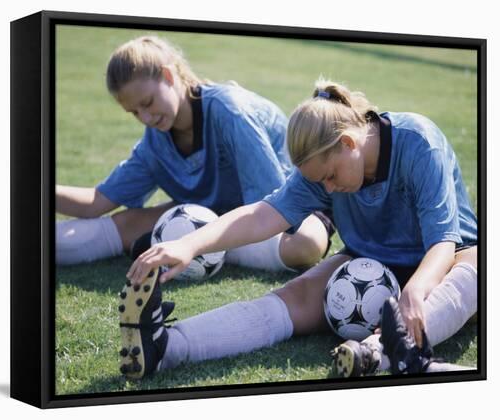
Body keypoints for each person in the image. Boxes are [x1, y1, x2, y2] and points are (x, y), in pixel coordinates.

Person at [119, 78, 478, 379]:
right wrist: (190, 244)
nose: (328, 190)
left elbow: (444, 241)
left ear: (349, 143)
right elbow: (260, 216)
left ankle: (375, 353)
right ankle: (167, 346)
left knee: (484, 265)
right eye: (320, 182)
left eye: (331, 176)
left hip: (448, 257)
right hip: (368, 259)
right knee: (294, 296)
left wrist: (415, 289)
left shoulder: (417, 141)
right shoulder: (319, 172)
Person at [56, 35, 333, 272]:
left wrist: (194, 237)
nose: (146, 117)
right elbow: (96, 202)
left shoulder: (229, 111)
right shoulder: (155, 143)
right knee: (128, 224)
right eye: (134, 112)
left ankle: (195, 245)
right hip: (211, 216)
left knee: (304, 245)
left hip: (280, 211)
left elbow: (269, 210)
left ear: (168, 75)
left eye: (148, 103)